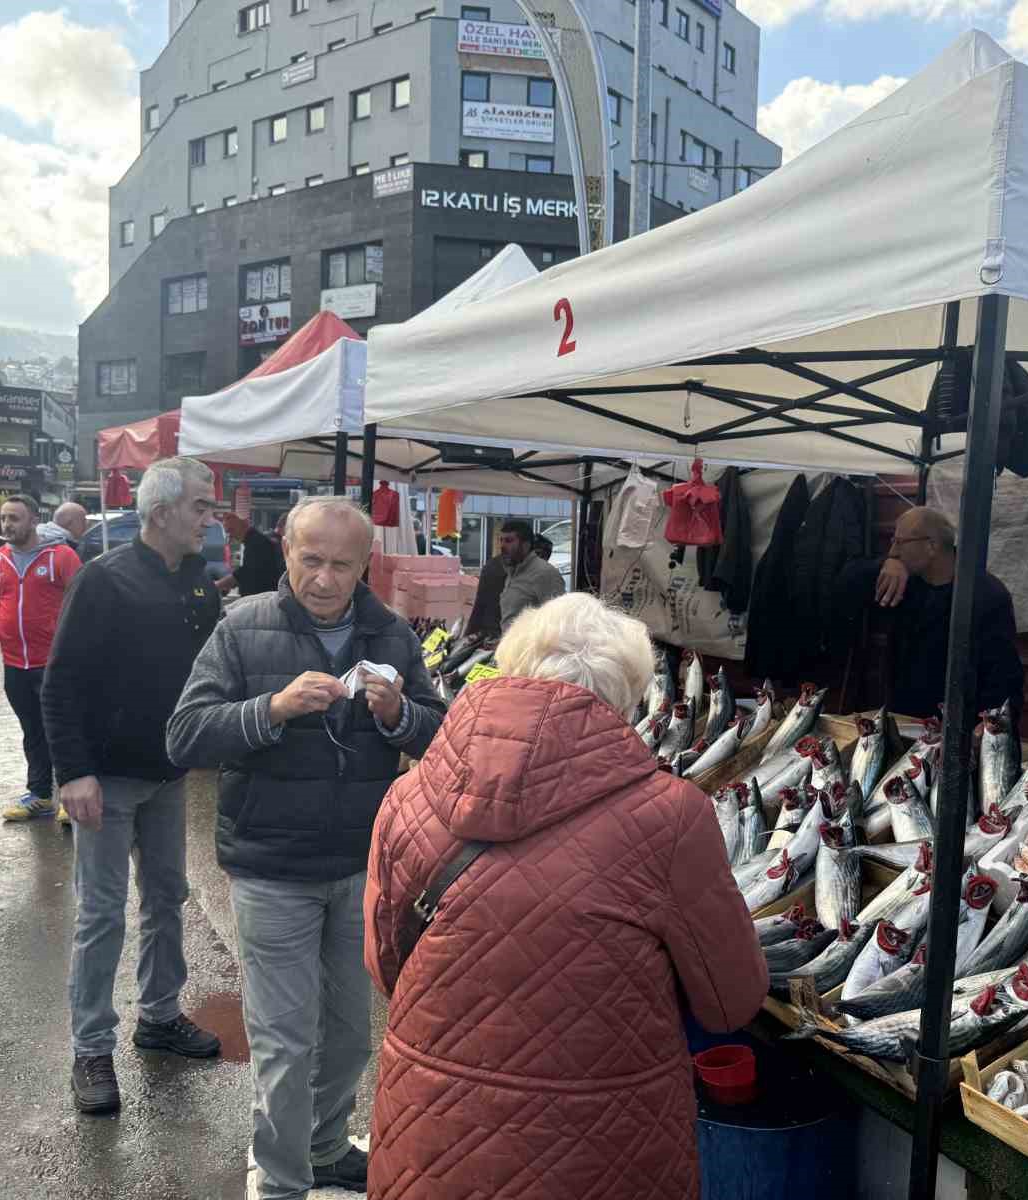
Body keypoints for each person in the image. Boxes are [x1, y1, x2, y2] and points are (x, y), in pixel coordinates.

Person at [363, 592, 768, 1200]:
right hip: (604, 1145)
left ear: (512, 667)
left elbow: (387, 967)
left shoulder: (407, 797)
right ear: (628, 693)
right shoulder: (670, 816)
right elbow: (730, 1001)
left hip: (433, 1132)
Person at [169, 496, 446, 1198]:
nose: (324, 579)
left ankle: (325, 1149)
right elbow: (185, 735)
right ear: (286, 552)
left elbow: (440, 734)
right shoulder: (241, 627)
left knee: (352, 1034)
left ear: (365, 567)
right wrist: (273, 709)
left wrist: (397, 713)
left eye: (342, 565)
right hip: (272, 867)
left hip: (361, 867)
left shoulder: (389, 633)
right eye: (310, 560)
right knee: (285, 1041)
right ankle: (284, 1181)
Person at [42, 457, 224, 1115]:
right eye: (202, 507)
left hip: (168, 773)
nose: (211, 517)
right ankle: (91, 1047)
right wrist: (74, 773)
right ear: (161, 513)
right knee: (100, 913)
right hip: (108, 778)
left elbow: (212, 668)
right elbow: (59, 685)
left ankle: (159, 1016)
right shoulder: (102, 581)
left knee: (168, 898)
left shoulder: (199, 580)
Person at [839, 506, 1024, 724]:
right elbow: (845, 583)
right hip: (902, 717)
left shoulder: (986, 594)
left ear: (932, 546)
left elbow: (1003, 674)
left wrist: (987, 727)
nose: (893, 551)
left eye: (900, 542)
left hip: (957, 728)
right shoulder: (905, 580)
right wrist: (885, 564)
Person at [0, 494, 82, 822]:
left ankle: (71, 796)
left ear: (33, 520)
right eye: (3, 519)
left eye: (14, 518)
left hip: (54, 664)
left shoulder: (62, 557)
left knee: (62, 729)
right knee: (32, 731)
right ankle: (40, 796)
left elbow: (81, 607)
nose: (7, 525)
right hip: (15, 664)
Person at [497, 518, 565, 631]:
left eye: (509, 541)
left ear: (526, 544)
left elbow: (559, 622)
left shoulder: (545, 573)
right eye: (501, 540)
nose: (502, 546)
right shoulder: (512, 572)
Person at [219, 510, 284, 596]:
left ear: (243, 524)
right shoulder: (254, 541)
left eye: (231, 530)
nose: (230, 536)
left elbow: (243, 574)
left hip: (262, 598)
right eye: (227, 532)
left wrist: (218, 585)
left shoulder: (256, 543)